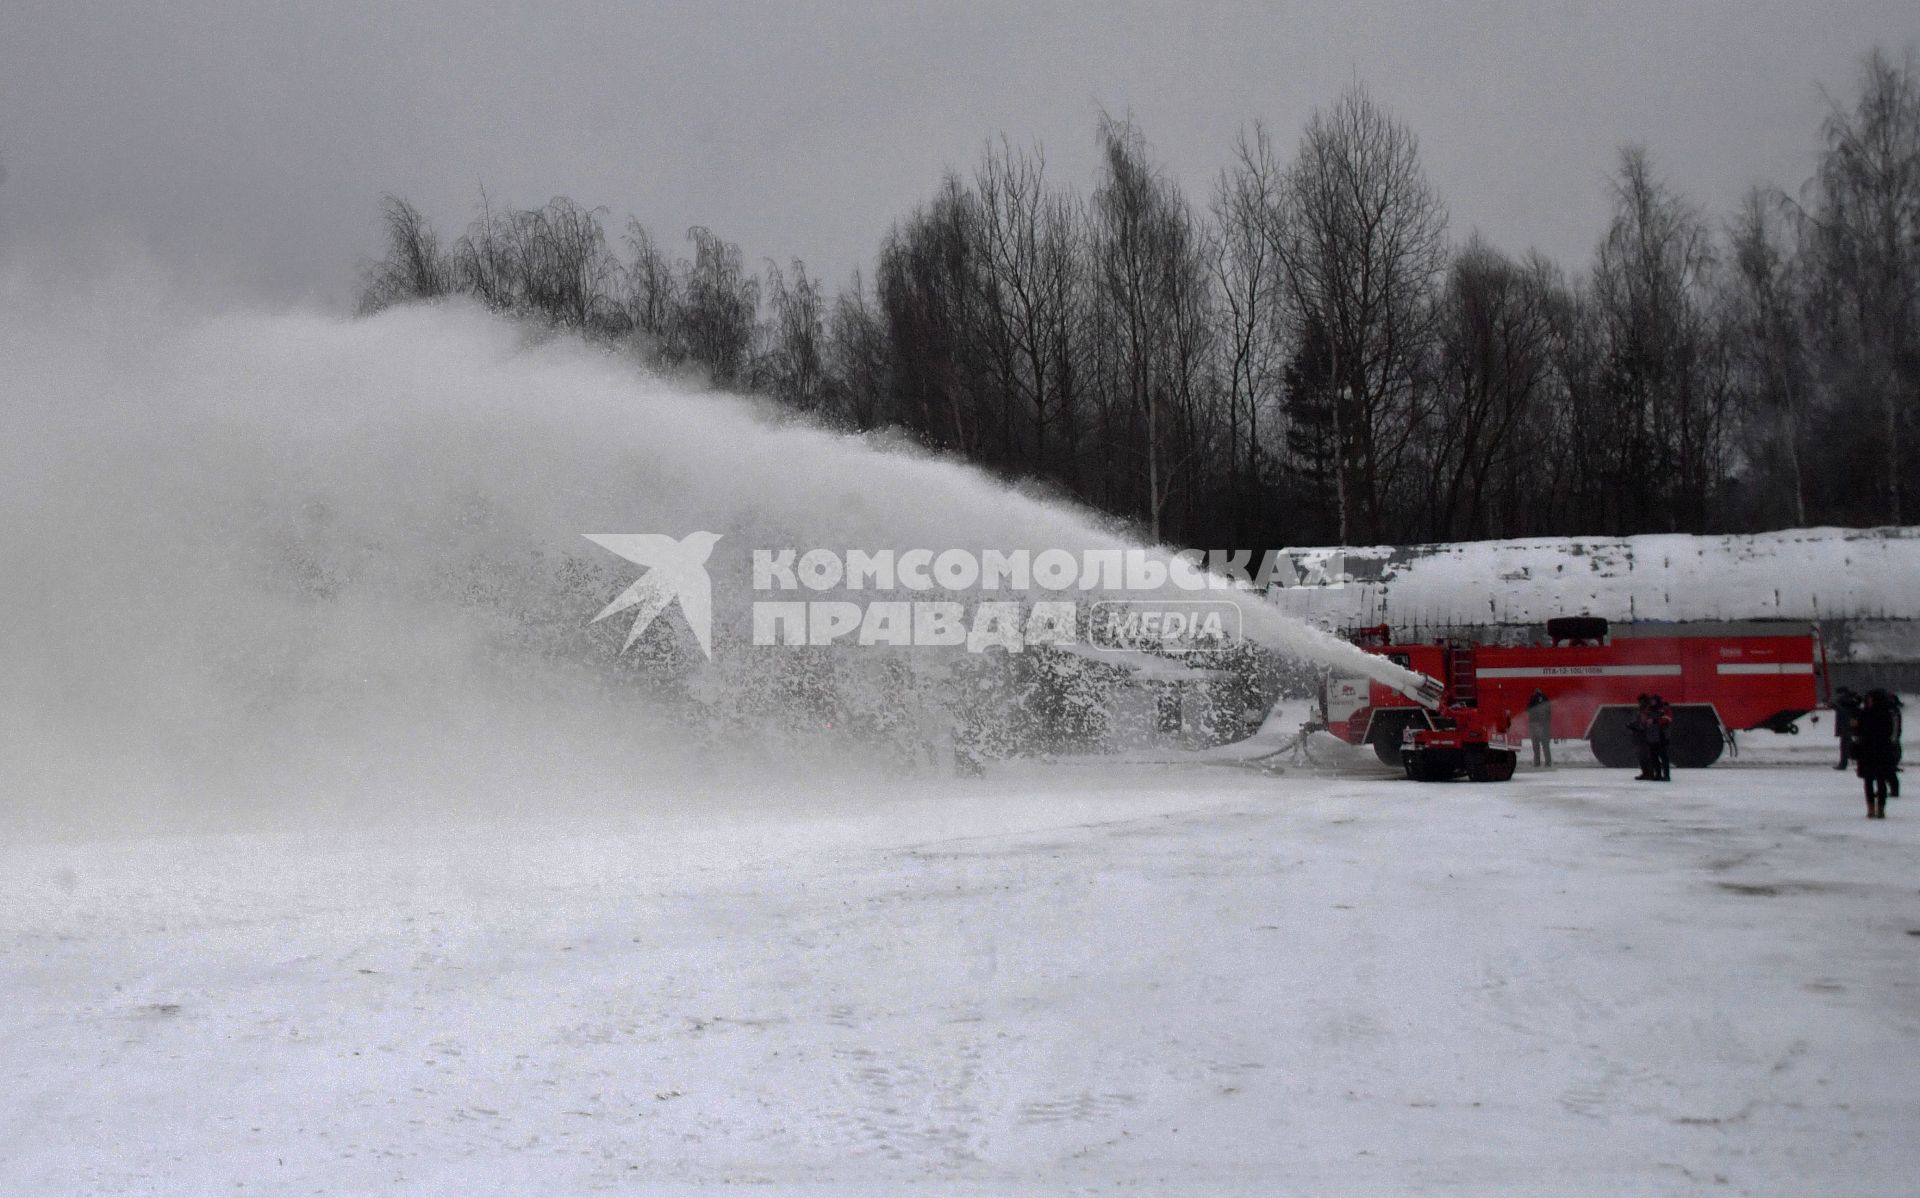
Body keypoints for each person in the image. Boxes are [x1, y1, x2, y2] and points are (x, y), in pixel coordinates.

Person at [1854, 689, 1899, 818]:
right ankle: (1880, 809)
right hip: (1882, 751)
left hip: (1868, 751)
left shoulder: (1865, 714)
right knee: (1881, 780)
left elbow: (1859, 731)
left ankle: (1871, 808)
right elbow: (1891, 733)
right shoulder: (1887, 714)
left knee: (1869, 781)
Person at [1833, 687, 1862, 770]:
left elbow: (1842, 712)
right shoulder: (1851, 701)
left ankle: (1843, 764)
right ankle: (1853, 763)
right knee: (1852, 746)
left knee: (1845, 747)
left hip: (1846, 727)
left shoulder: (1844, 702)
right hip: (1851, 726)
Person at [1647, 694, 1674, 782]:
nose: (1652, 702)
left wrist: (1654, 721)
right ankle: (1657, 774)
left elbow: (1667, 719)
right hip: (1652, 737)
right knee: (1653, 757)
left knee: (1664, 757)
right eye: (1651, 701)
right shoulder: (1649, 710)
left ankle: (1666, 775)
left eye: (1653, 700)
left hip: (1661, 736)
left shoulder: (1664, 709)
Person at [1527, 688, 1553, 768]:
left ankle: (1537, 762)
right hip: (1543, 725)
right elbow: (1549, 712)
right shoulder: (1545, 698)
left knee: (1535, 745)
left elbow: (1528, 709)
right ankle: (1548, 762)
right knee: (1545, 745)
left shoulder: (1533, 698)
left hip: (1534, 724)